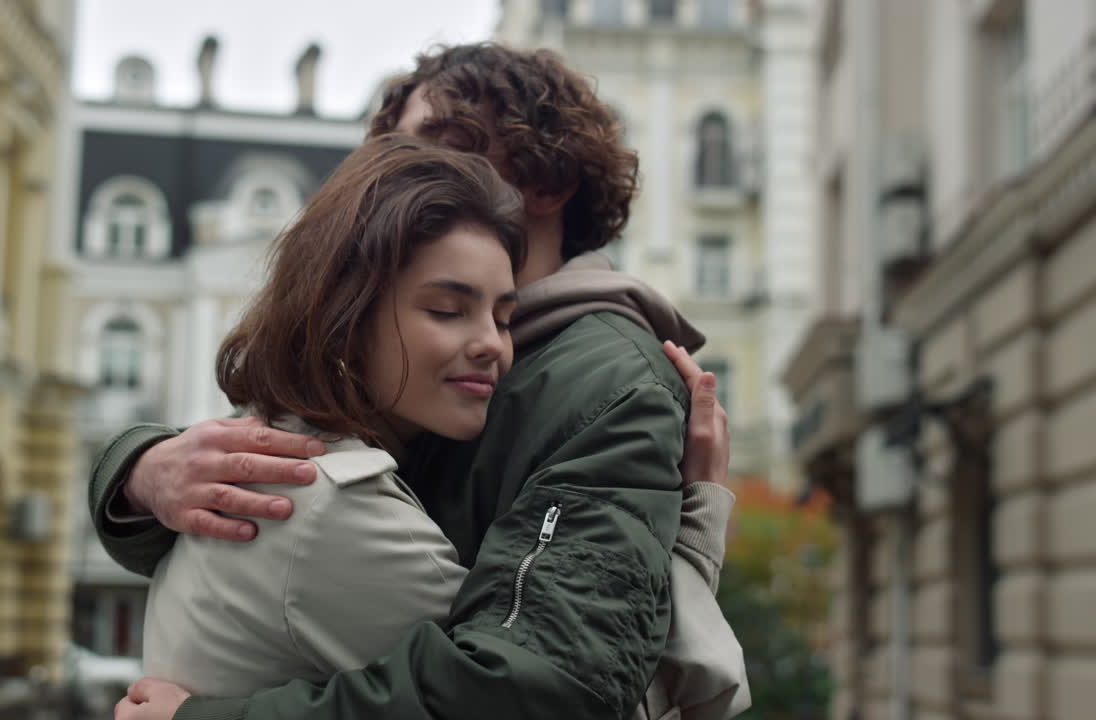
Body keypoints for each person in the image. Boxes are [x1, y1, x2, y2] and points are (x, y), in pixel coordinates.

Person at [97, 44, 747, 720]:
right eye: (389, 154)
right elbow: (278, 538)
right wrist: (138, 471)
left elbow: (546, 683)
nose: (395, 178)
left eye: (443, 148)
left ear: (548, 183)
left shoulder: (606, 381)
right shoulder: (406, 379)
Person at [143, 134, 527, 696]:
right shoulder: (337, 508)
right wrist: (698, 512)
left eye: (504, 317)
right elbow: (547, 698)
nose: (492, 343)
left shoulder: (271, 445)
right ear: (345, 317)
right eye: (448, 310)